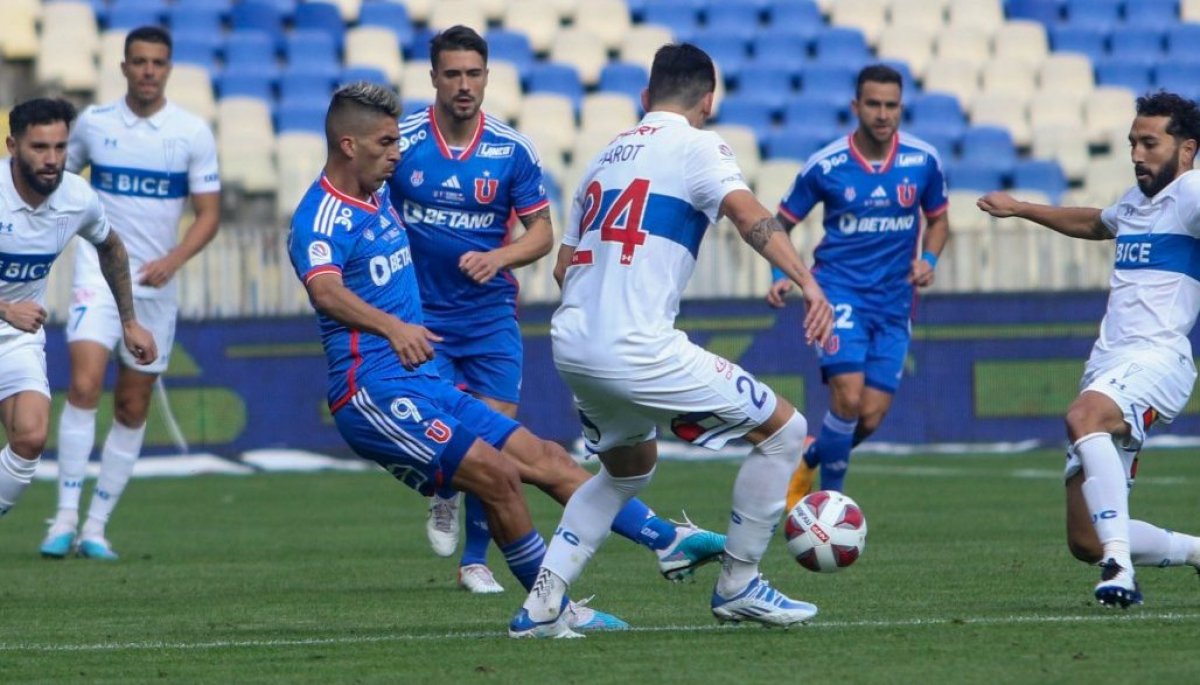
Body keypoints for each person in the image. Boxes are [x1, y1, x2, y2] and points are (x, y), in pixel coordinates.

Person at [288, 82, 724, 634]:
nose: (398, 153)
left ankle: (667, 541)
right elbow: (325, 291)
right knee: (496, 476)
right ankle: (550, 610)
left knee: (545, 457)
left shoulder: (378, 195)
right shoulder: (319, 216)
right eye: (386, 142)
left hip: (421, 379)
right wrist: (393, 326)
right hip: (372, 392)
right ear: (348, 145)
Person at [512, 43, 835, 638]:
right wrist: (808, 283)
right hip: (636, 346)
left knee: (625, 473)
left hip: (575, 343)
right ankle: (739, 584)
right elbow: (748, 215)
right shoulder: (698, 146)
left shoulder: (602, 160)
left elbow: (562, 269)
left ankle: (541, 606)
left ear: (645, 97)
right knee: (785, 432)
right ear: (708, 101)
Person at [977, 90, 1200, 608]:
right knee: (1084, 538)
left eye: (1150, 143)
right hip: (1109, 362)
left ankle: (1119, 568)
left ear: (1187, 150)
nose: (1137, 154)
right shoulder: (1136, 202)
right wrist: (1023, 209)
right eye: (1132, 142)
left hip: (1157, 359)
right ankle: (1190, 552)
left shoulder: (1190, 194)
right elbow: (1095, 223)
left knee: (1084, 417)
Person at [39, 26, 221, 560]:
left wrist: (174, 260)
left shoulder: (191, 132)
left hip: (156, 286)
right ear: (123, 67)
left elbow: (209, 214)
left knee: (133, 403)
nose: (147, 71)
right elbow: (59, 185)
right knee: (84, 384)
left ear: (168, 69)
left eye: (157, 63)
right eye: (138, 61)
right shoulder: (94, 125)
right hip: (97, 277)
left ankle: (96, 526)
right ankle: (64, 517)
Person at [387, 25, 554, 594]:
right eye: (452, 74)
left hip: (488, 318)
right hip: (421, 319)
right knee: (453, 437)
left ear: (487, 77)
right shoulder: (403, 141)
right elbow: (371, 210)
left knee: (499, 438)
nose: (464, 85)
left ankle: (476, 560)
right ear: (433, 78)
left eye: (474, 74)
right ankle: (442, 492)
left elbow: (543, 234)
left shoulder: (512, 149)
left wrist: (500, 257)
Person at [765, 64, 949, 507]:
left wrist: (928, 258)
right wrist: (780, 277)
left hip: (895, 302)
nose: (883, 114)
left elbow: (939, 220)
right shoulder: (826, 165)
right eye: (874, 104)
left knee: (869, 416)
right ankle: (831, 507)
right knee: (846, 397)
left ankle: (810, 455)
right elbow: (779, 223)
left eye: (891, 105)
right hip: (837, 293)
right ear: (856, 107)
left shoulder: (922, 161)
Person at [0, 98, 157, 521]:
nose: (52, 160)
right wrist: (4, 309)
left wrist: (129, 322)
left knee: (31, 438)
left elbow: (111, 247)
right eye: (39, 148)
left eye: (60, 147)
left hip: (14, 337)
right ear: (13, 145)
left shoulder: (76, 197)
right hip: (9, 318)